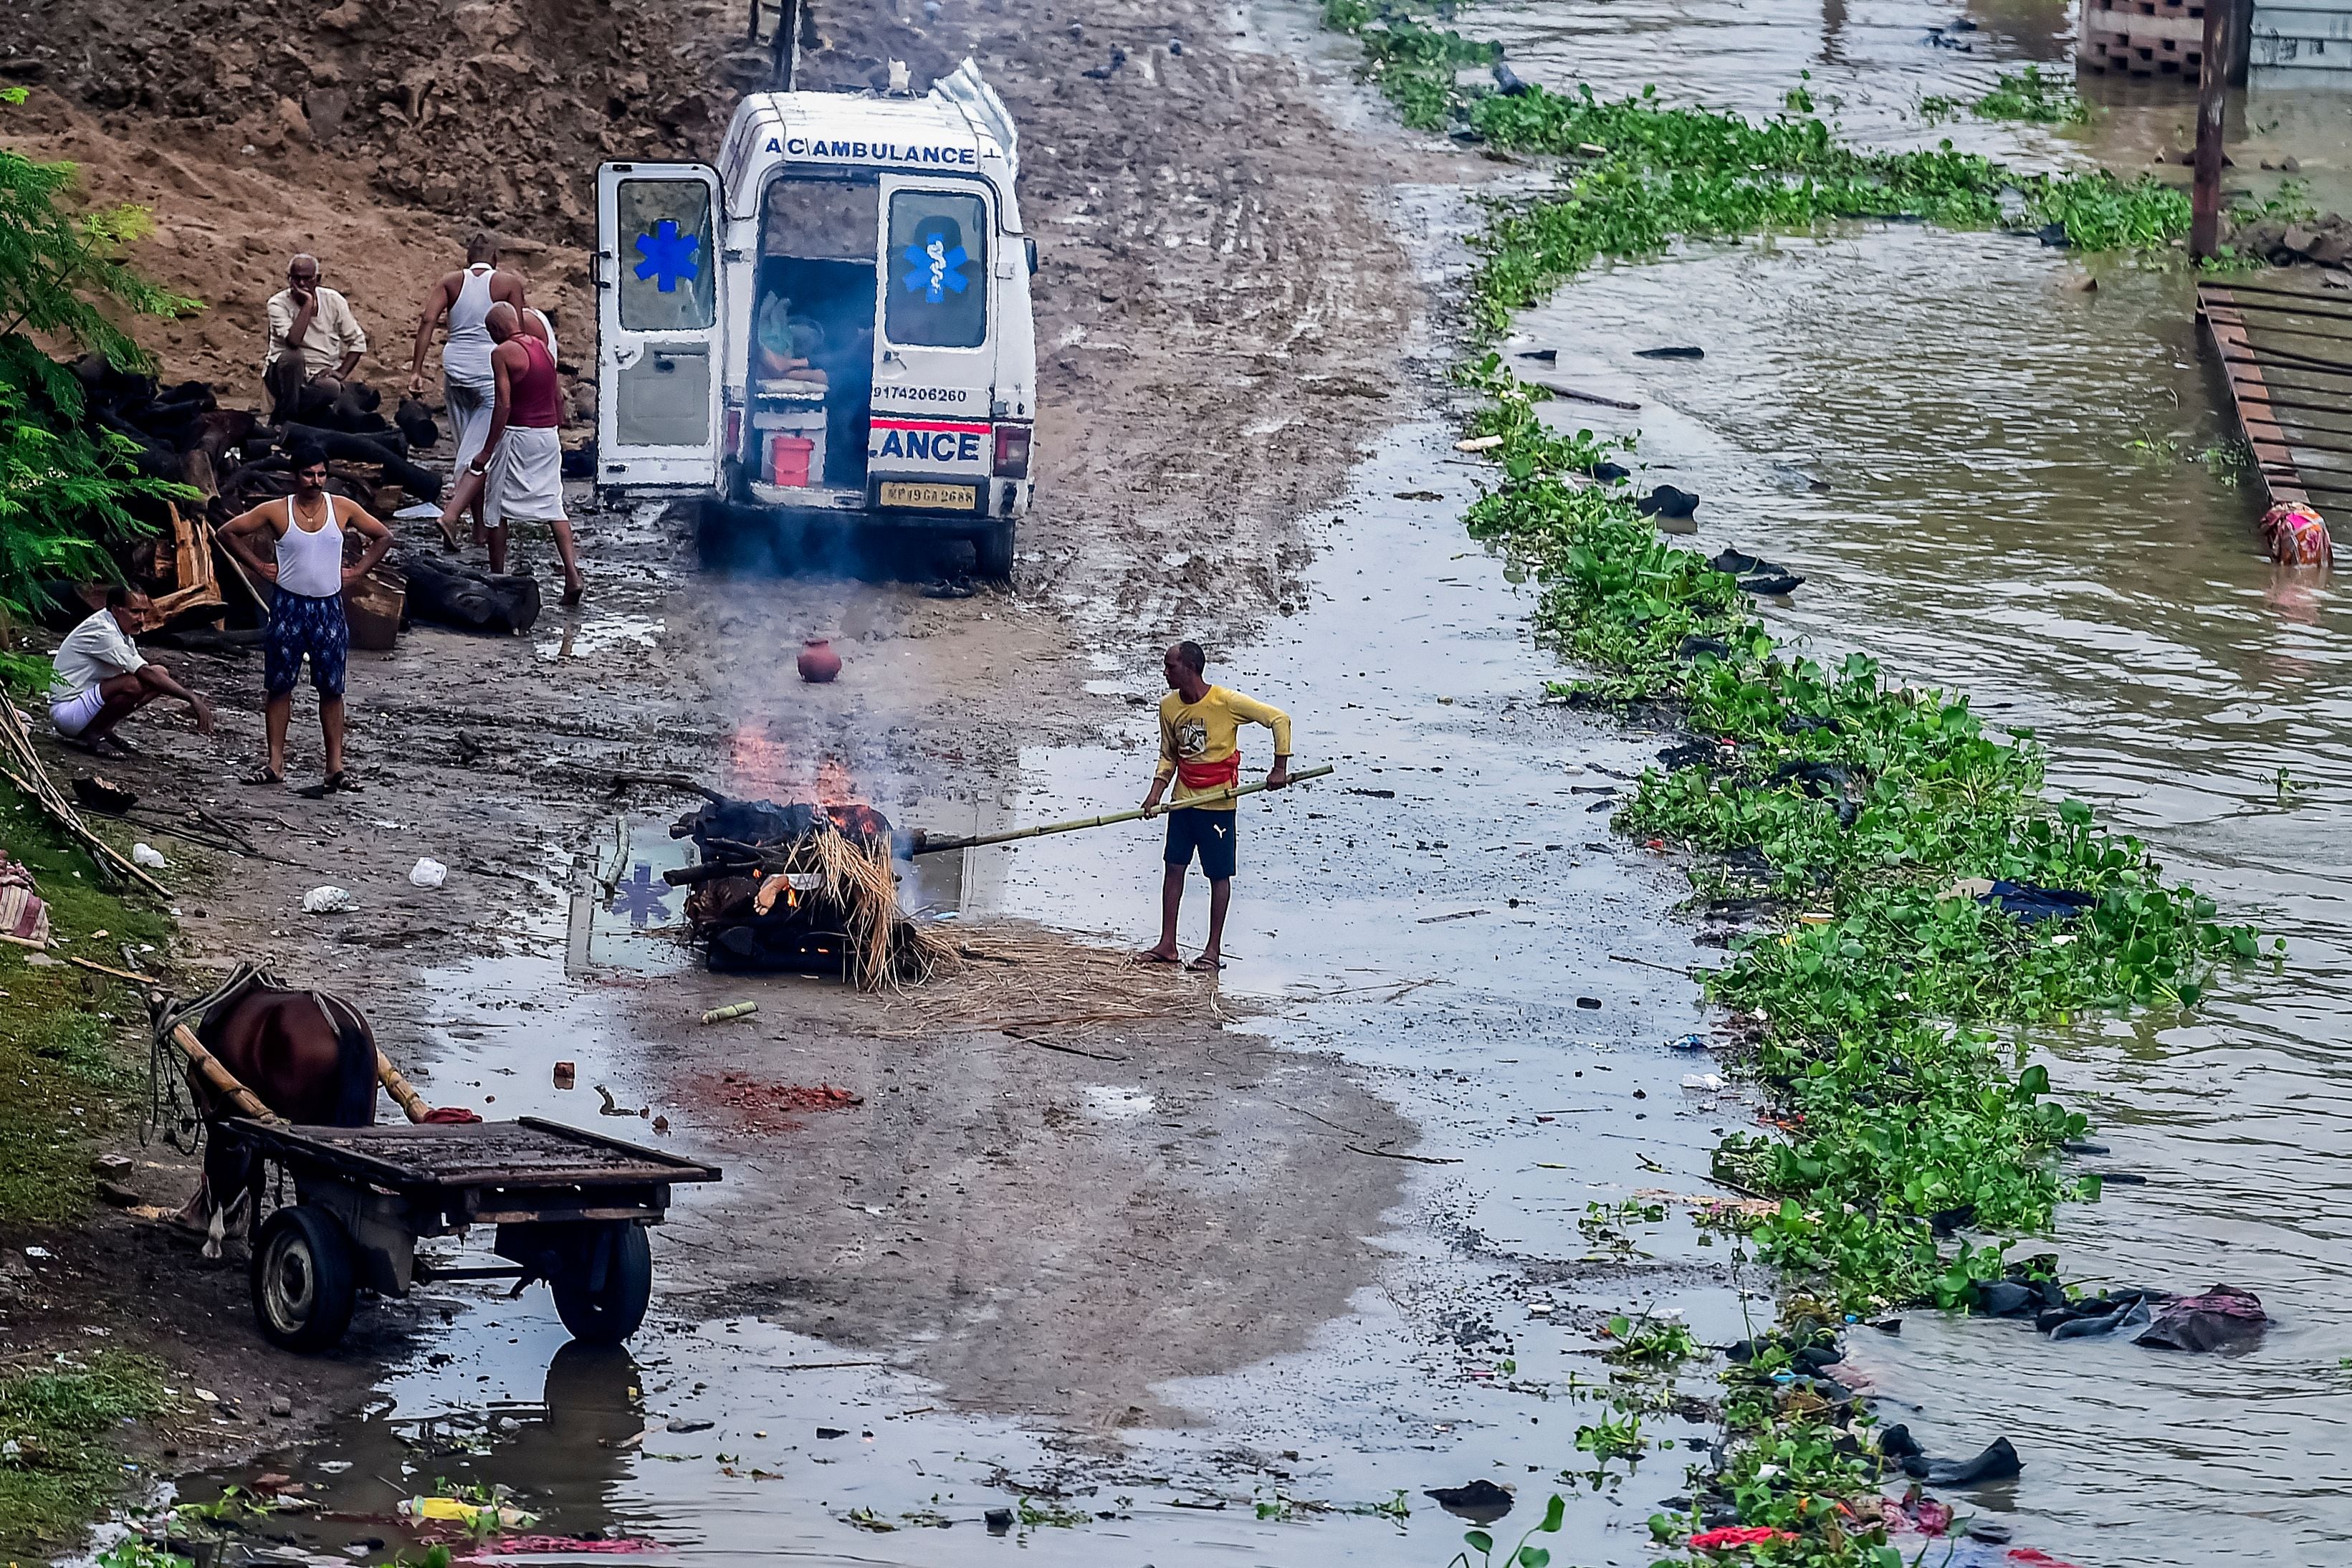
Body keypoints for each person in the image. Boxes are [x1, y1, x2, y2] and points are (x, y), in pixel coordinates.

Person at [219, 440, 394, 789]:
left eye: (321, 474)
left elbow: (383, 536)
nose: (316, 481)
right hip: (288, 605)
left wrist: (358, 571)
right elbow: (228, 532)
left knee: (332, 688)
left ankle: (335, 767)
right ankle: (275, 764)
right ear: (293, 476)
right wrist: (259, 566)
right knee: (280, 684)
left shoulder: (341, 507)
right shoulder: (276, 510)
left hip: (328, 607)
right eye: (308, 474)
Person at [1137, 641, 1292, 972]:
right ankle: (1168, 944)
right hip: (1182, 802)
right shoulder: (1168, 707)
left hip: (1218, 805)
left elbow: (1279, 719)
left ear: (1190, 669)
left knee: (1218, 875)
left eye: (1171, 667)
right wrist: (1156, 793)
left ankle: (1212, 951)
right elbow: (1169, 755)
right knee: (1174, 867)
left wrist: (1279, 768)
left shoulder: (1226, 702)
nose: (1165, 673)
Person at [406, 233, 528, 553]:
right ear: (495, 259)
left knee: (468, 445)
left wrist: (417, 370)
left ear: (467, 258)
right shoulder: (508, 283)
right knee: (481, 452)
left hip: (456, 370)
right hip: (490, 371)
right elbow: (520, 332)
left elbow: (428, 320)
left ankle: (478, 531)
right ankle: (453, 516)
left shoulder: (450, 281)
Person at [465, 302, 584, 603]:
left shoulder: (502, 353)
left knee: (496, 507)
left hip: (518, 436)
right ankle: (572, 575)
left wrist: (487, 449)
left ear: (496, 330)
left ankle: (498, 578)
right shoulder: (542, 347)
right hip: (547, 437)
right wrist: (558, 424)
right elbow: (555, 392)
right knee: (553, 505)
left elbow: (504, 405)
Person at [47, 586, 213, 755]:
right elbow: (143, 672)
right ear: (116, 610)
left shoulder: (120, 630)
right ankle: (94, 733)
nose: (141, 619)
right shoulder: (104, 632)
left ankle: (104, 729)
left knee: (160, 673)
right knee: (134, 684)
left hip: (85, 704)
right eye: (135, 612)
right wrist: (191, 698)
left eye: (144, 612)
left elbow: (149, 672)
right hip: (68, 713)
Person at [264, 254, 368, 426]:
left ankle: (287, 414)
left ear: (318, 279)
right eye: (296, 278)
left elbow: (357, 341)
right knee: (294, 357)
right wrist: (308, 303)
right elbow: (293, 341)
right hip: (283, 373)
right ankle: (288, 417)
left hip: (317, 374)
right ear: (288, 279)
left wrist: (341, 372)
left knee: (332, 388)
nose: (302, 284)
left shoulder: (334, 301)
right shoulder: (277, 303)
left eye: (307, 279)